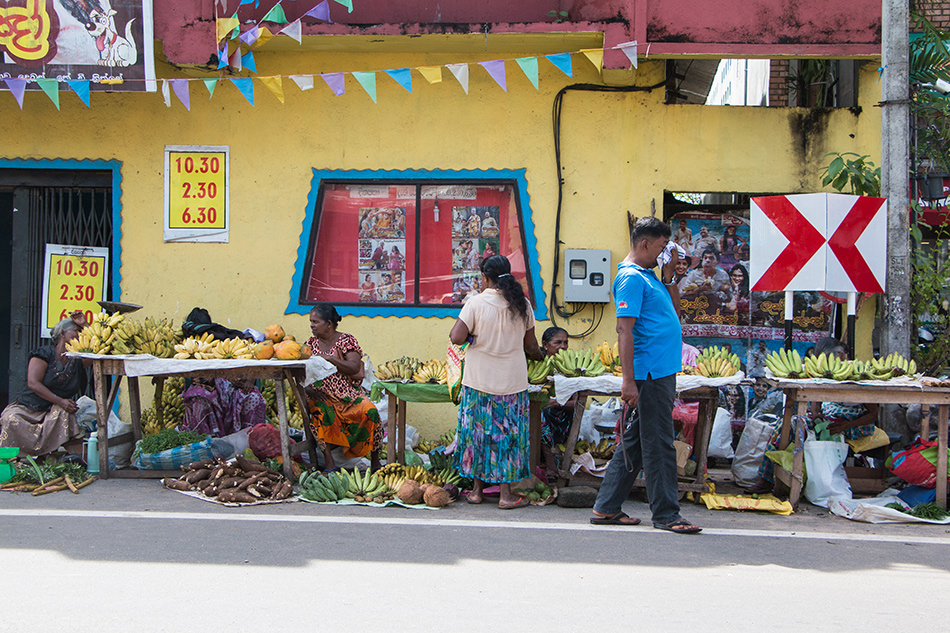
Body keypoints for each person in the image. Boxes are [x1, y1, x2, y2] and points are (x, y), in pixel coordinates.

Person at [590, 217, 701, 533]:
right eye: (663, 247)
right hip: (650, 373)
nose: (666, 253)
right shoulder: (630, 279)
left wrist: (668, 278)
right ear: (645, 244)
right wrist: (628, 381)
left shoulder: (650, 277)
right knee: (660, 443)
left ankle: (606, 507)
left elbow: (673, 313)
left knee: (638, 441)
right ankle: (667, 514)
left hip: (661, 370)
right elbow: (624, 330)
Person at [449, 255, 543, 509]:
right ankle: (506, 495)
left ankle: (477, 492)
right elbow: (531, 345)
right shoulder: (522, 304)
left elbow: (456, 337)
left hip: (478, 381)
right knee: (508, 436)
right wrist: (540, 356)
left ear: (485, 277)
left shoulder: (475, 303)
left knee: (479, 434)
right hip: (511, 382)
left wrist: (473, 337)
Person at [743, 337, 879, 494]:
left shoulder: (855, 373)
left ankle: (793, 482)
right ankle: (767, 478)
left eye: (826, 358)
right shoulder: (823, 370)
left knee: (799, 428)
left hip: (853, 423)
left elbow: (873, 414)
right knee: (785, 425)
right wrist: (815, 415)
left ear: (841, 356)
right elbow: (815, 399)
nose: (823, 363)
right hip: (827, 419)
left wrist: (846, 425)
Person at [0, 312, 90, 457]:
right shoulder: (44, 354)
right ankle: (13, 460)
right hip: (30, 408)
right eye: (76, 331)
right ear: (62, 333)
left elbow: (97, 349)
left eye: (81, 332)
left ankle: (72, 459)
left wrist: (85, 324)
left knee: (66, 414)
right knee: (10, 418)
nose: (80, 335)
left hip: (54, 410)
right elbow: (33, 383)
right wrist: (60, 401)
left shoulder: (77, 360)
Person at [304, 304, 381, 471]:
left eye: (316, 322)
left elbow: (353, 367)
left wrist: (331, 359)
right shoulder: (309, 344)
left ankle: (375, 460)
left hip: (347, 393)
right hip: (321, 394)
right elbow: (301, 372)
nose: (312, 325)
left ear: (329, 324)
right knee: (322, 412)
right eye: (311, 321)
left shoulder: (346, 340)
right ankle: (329, 460)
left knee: (370, 411)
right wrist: (307, 388)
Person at [538, 326, 575, 479]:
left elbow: (577, 403)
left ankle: (552, 467)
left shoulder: (571, 367)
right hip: (542, 411)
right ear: (545, 345)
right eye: (558, 342)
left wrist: (557, 402)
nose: (563, 347)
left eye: (565, 343)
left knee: (542, 416)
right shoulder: (538, 364)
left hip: (563, 416)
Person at [180, 377, 266, 437]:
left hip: (236, 386)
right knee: (200, 401)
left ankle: (250, 439)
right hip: (210, 386)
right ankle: (205, 441)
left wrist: (249, 381)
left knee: (253, 398)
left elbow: (251, 362)